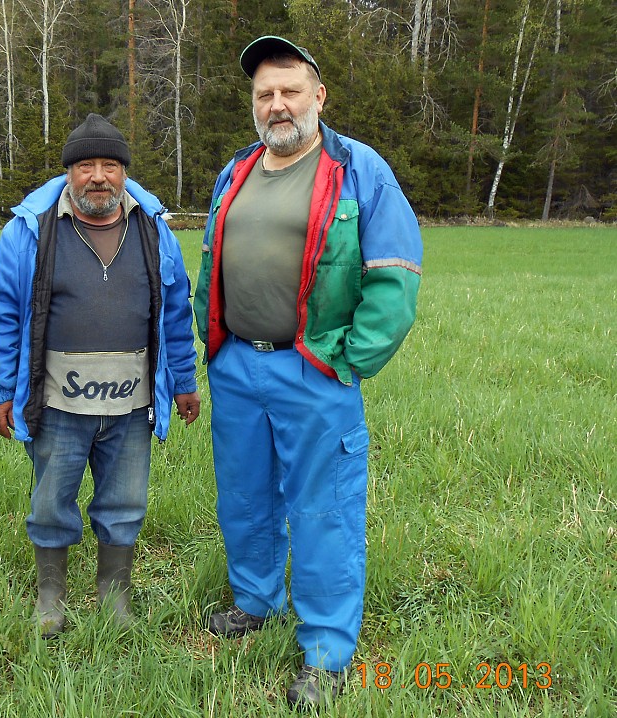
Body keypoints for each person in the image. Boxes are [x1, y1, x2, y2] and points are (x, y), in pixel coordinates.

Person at [194, 36, 422, 710]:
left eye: (290, 90)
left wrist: (347, 360)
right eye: (265, 93)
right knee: (245, 498)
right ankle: (255, 603)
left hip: (314, 369)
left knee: (323, 511)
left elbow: (396, 277)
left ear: (318, 96)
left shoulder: (360, 170)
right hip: (237, 366)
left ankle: (324, 652)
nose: (277, 103)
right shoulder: (235, 169)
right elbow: (211, 265)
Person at [0, 113, 200, 637]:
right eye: (86, 166)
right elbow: (5, 315)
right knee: (50, 502)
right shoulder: (30, 232)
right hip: (57, 402)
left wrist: (187, 381)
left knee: (125, 502)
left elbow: (174, 309)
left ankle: (114, 597)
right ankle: (50, 601)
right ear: (68, 173)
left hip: (132, 404)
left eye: (110, 165)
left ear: (124, 172)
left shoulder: (153, 230)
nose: (98, 176)